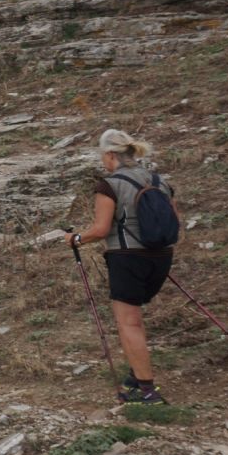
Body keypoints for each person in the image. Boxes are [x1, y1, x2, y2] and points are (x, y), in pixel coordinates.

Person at [68, 129, 177, 404]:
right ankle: (136, 375)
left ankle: (147, 391)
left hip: (126, 257)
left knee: (129, 322)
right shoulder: (159, 181)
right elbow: (174, 221)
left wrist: (76, 239)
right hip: (162, 256)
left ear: (110, 155)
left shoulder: (110, 185)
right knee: (134, 319)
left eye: (102, 156)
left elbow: (100, 230)